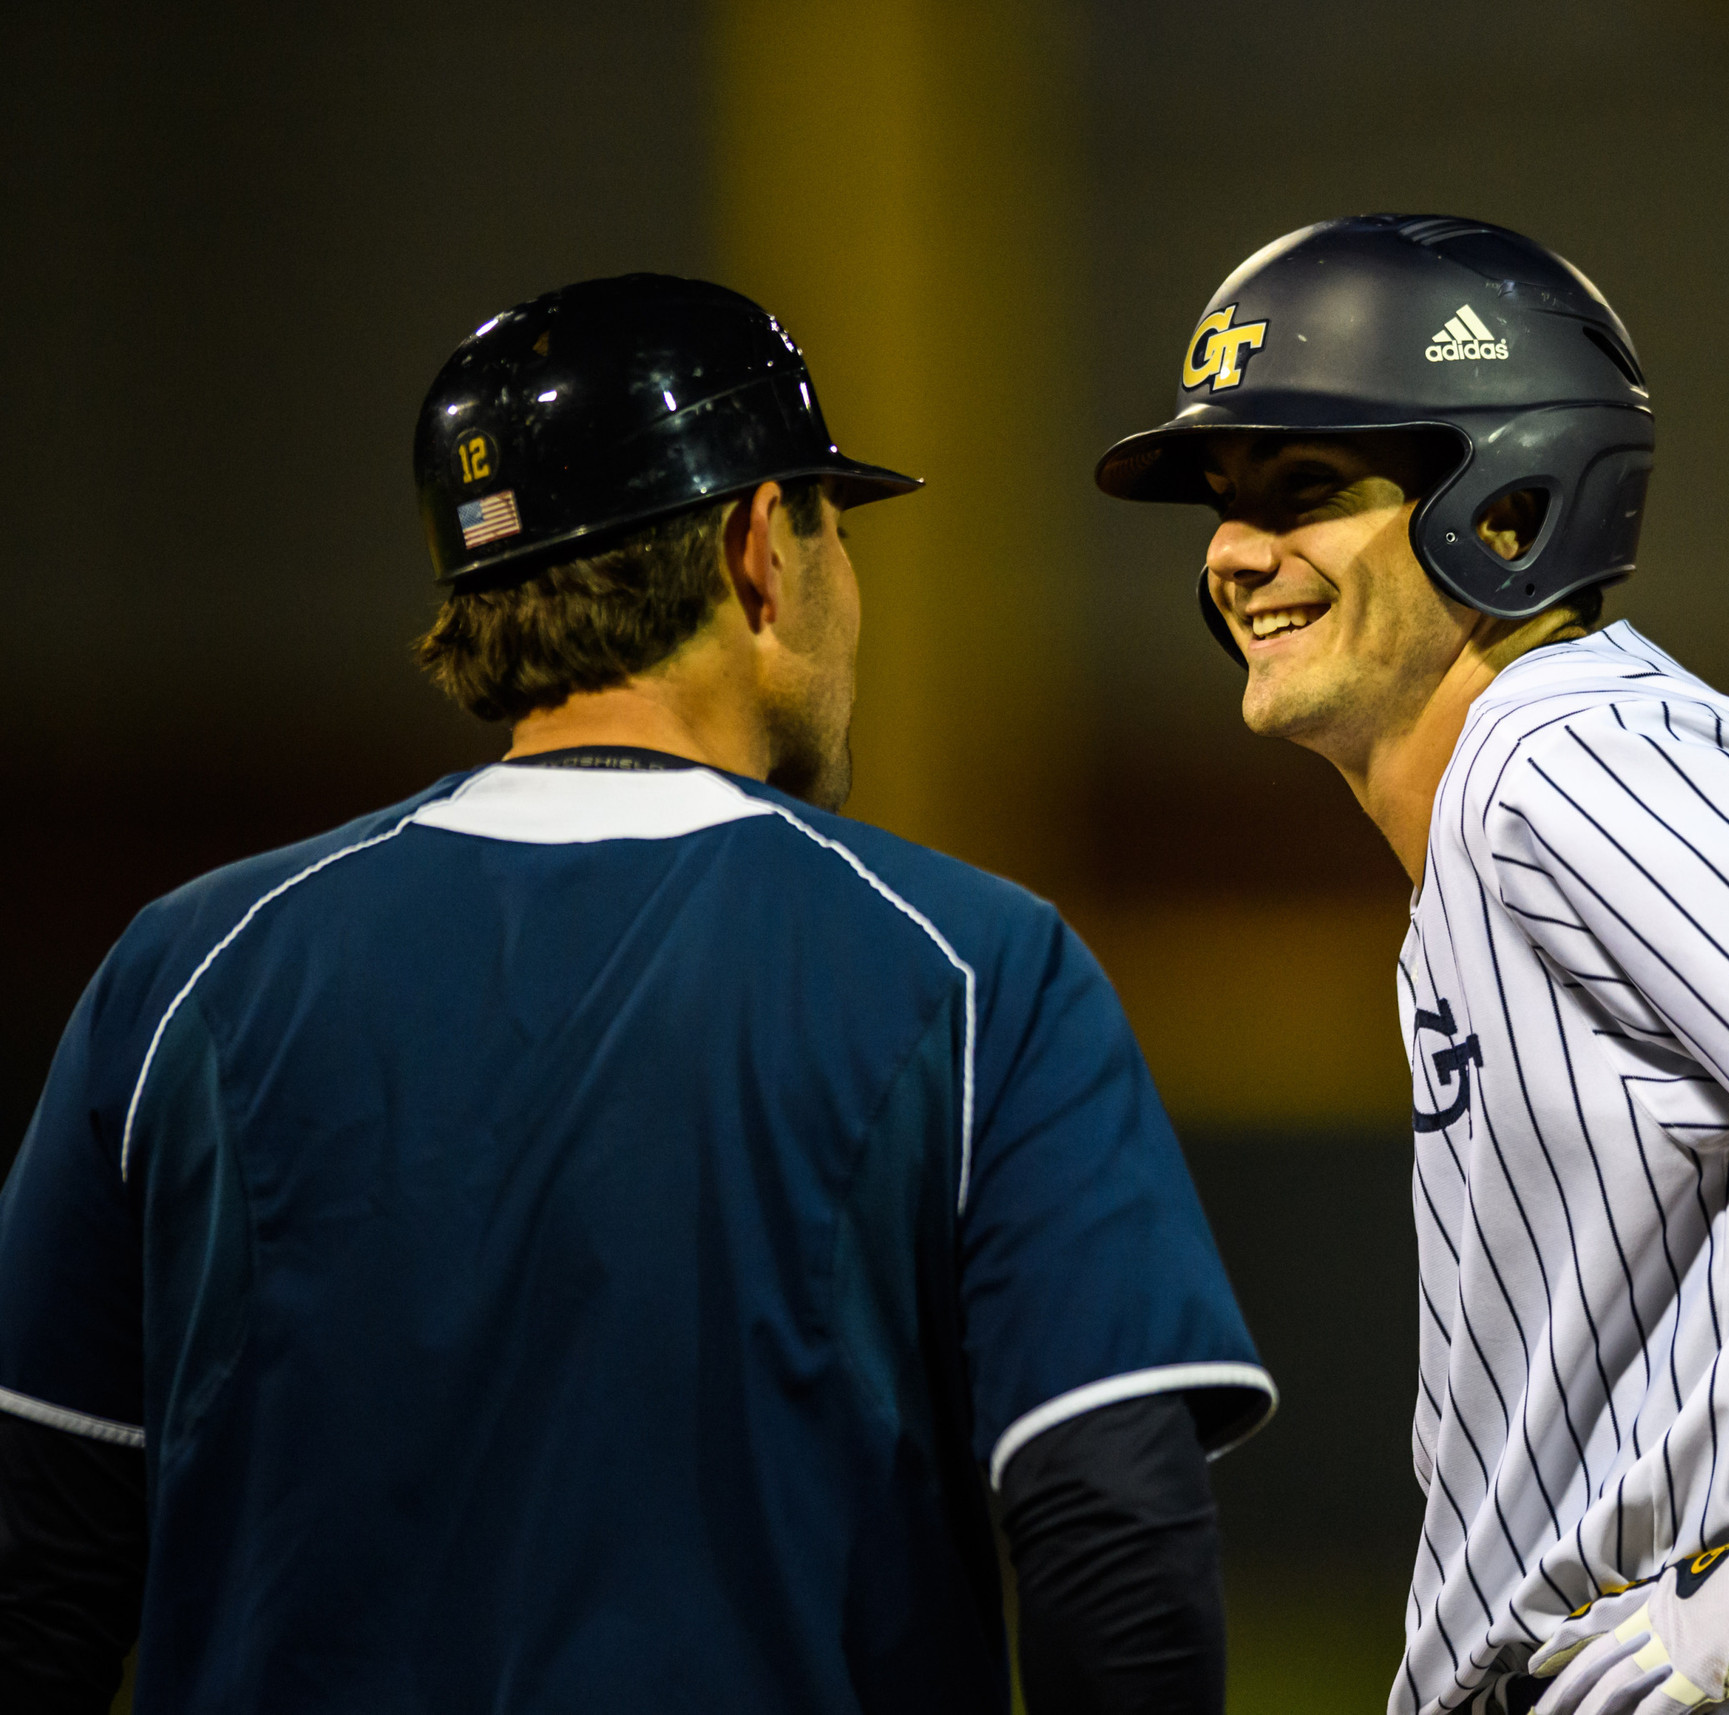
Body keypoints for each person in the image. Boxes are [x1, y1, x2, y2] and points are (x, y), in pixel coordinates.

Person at [0, 273, 1272, 1715]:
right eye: (832, 522)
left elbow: (37, 1568)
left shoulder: (183, 973)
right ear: (756, 551)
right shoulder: (972, 967)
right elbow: (1115, 1531)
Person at [1097, 216, 1729, 1715]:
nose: (1235, 552)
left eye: (1303, 491)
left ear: (1506, 510)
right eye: (1222, 500)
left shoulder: (1550, 755)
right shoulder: (1525, 793)